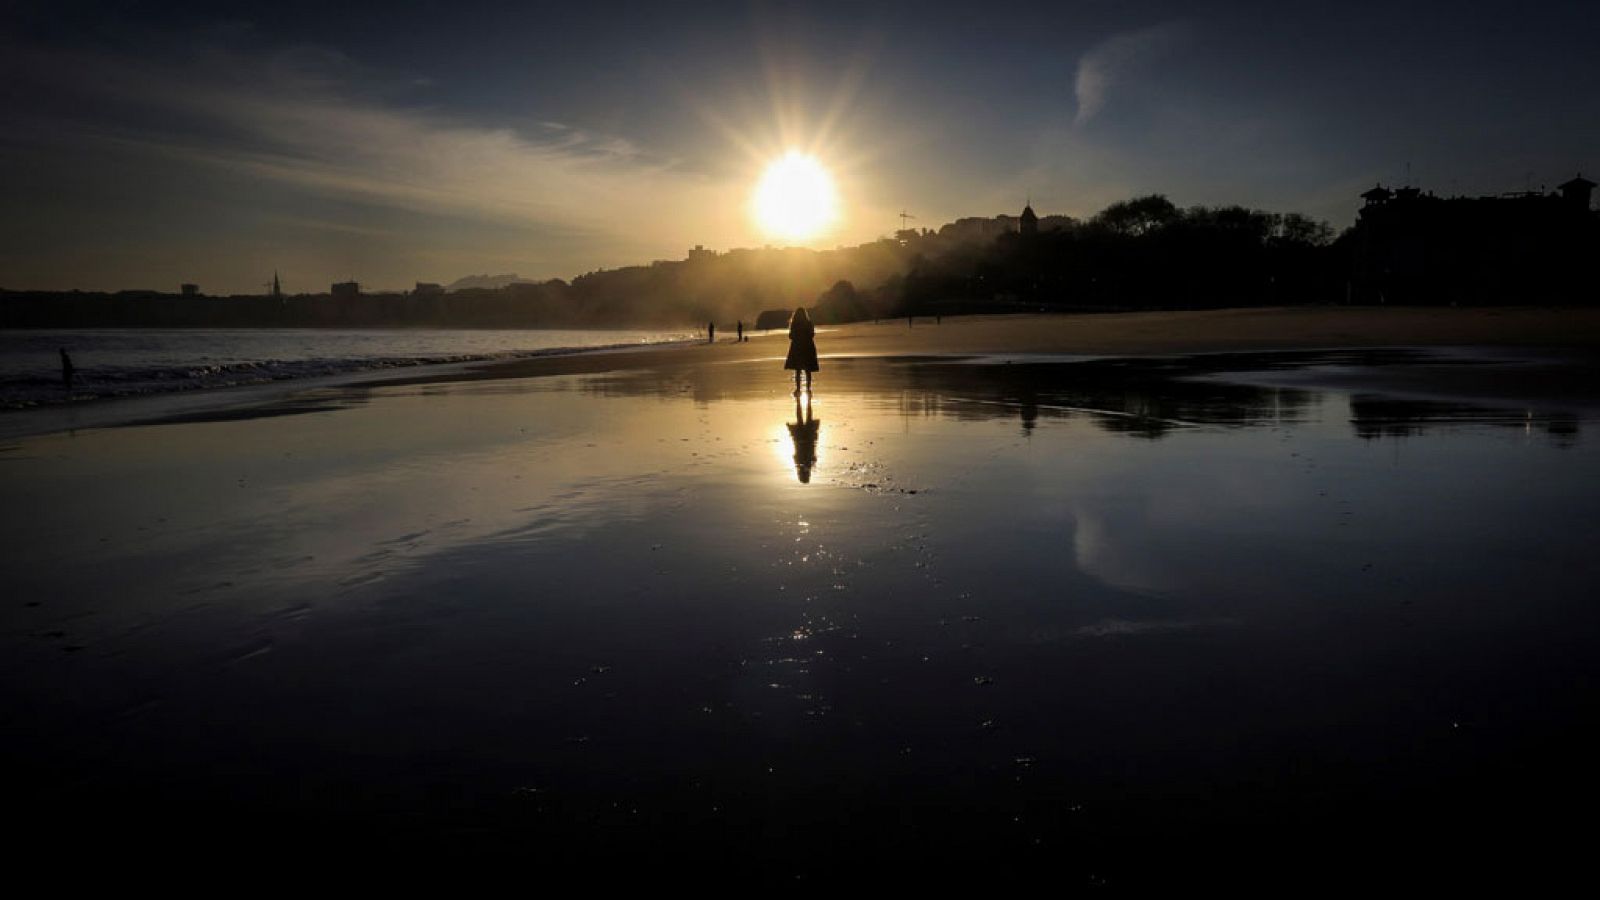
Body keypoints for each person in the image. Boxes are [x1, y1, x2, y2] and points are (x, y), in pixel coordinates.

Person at [784, 306, 819, 395]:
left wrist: (797, 338)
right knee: (808, 370)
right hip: (808, 347)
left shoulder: (794, 324)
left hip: (797, 348)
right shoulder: (809, 323)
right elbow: (812, 334)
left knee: (798, 370)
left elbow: (791, 336)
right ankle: (808, 389)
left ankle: (798, 389)